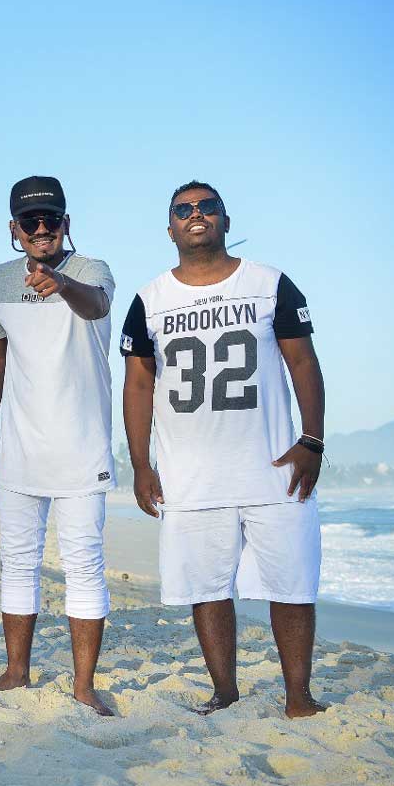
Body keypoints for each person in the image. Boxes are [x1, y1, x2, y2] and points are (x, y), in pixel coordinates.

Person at [120, 180, 326, 719]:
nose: (196, 215)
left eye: (207, 207)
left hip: (273, 466)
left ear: (225, 220)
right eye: (183, 210)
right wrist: (141, 463)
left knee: (293, 582)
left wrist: (313, 439)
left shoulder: (270, 283)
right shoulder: (149, 299)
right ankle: (225, 691)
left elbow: (303, 362)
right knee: (206, 586)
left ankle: (299, 696)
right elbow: (138, 383)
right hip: (190, 473)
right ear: (169, 229)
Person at [0, 177, 116, 714]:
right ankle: (16, 672)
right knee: (18, 562)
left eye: (50, 220)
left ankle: (83, 686)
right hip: (18, 443)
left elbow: (97, 307)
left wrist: (59, 282)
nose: (41, 230)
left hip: (82, 447)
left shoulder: (90, 271)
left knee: (83, 563)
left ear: (66, 224)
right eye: (30, 222)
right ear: (13, 229)